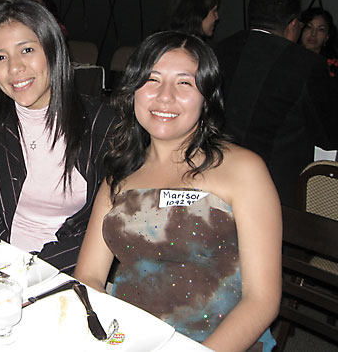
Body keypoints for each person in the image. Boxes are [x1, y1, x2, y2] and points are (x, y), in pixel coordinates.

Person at [74, 31, 281, 351]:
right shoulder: (120, 174)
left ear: (207, 97)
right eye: (152, 80)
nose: (164, 96)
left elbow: (262, 301)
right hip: (129, 337)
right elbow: (88, 276)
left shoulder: (243, 170)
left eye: (184, 83)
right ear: (133, 91)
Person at [0, 0, 117, 273]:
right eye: (0, 57)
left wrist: (33, 269)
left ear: (53, 50)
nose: (14, 68)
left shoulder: (102, 124)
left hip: (69, 272)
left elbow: (111, 225)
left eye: (27, 50)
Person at [214, 0, 338, 208]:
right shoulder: (306, 64)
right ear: (293, 25)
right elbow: (327, 135)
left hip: (216, 174)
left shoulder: (219, 50)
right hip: (274, 187)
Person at [299, 7, 338, 76]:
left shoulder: (332, 66)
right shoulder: (288, 56)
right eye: (309, 27)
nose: (313, 34)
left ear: (327, 36)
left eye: (320, 30)